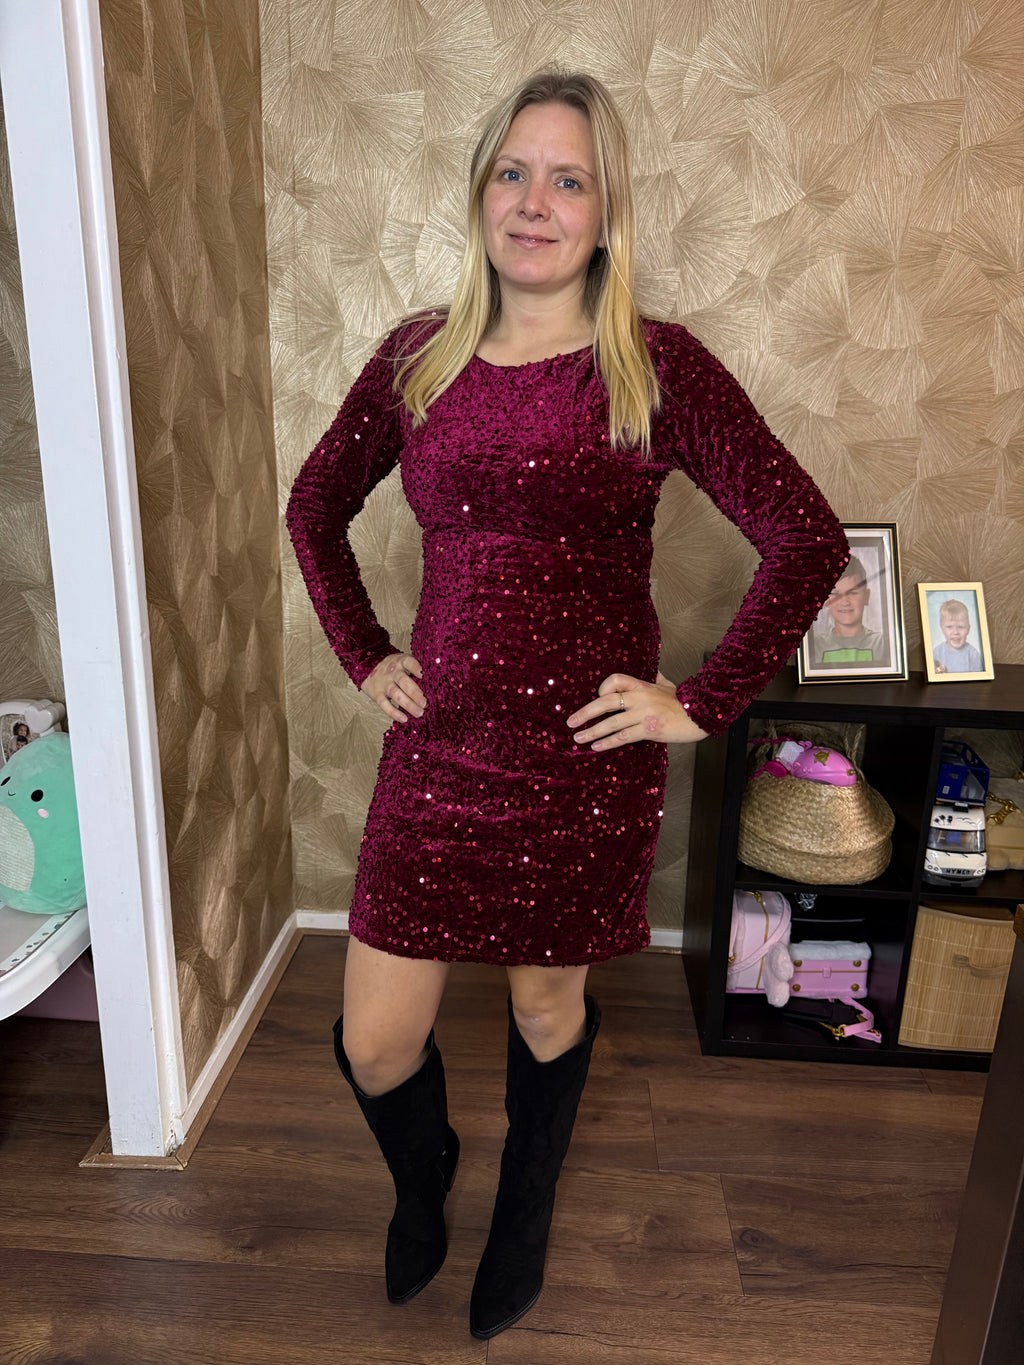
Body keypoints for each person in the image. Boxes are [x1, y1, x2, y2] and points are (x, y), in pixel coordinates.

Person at [286, 70, 848, 1340]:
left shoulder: (654, 364)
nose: (534, 202)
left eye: (568, 179)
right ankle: (425, 1174)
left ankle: (524, 1206)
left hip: (580, 767)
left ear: (606, 213)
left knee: (546, 1007)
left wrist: (699, 701)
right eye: (513, 173)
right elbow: (313, 507)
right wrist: (364, 652)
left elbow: (804, 537)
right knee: (376, 1043)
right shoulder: (414, 358)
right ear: (480, 192)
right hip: (440, 756)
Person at [809, 555, 885, 666]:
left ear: (866, 596)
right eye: (835, 594)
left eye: (853, 593)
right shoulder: (813, 646)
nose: (844, 602)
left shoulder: (882, 644)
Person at [933, 598, 983, 673]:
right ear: (942, 628)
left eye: (961, 627)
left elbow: (979, 678)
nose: (955, 632)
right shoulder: (936, 653)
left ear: (968, 629)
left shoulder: (973, 655)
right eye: (949, 627)